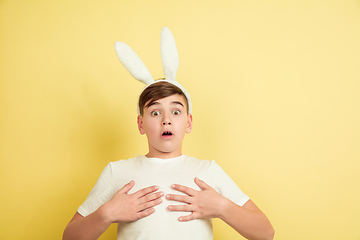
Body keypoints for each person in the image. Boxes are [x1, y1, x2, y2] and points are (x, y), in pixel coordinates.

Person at [63, 28, 274, 240]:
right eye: (155, 112)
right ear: (141, 124)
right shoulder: (116, 172)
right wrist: (106, 214)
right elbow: (69, 237)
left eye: (176, 111)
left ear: (188, 122)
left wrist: (222, 207)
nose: (166, 119)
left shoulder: (209, 171)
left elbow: (266, 233)